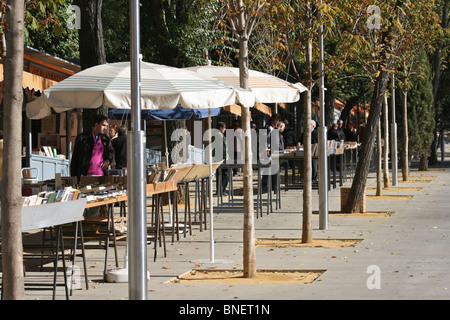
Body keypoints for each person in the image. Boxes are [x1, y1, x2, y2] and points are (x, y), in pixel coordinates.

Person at [70, 114, 115, 181]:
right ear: (96, 124)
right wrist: (74, 178)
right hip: (84, 176)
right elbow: (75, 158)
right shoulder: (82, 138)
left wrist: (108, 161)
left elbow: (111, 152)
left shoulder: (105, 139)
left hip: (101, 176)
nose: (105, 128)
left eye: (106, 126)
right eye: (103, 125)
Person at [262, 114, 281, 188]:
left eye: (278, 120)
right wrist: (266, 149)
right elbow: (264, 139)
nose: (277, 122)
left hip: (274, 150)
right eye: (276, 120)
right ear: (272, 119)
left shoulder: (275, 128)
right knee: (267, 167)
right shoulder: (267, 127)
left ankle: (271, 183)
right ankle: (264, 184)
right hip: (268, 150)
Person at [215, 122, 230, 196]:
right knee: (226, 174)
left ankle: (219, 190)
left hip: (217, 158)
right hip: (222, 158)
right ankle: (222, 189)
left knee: (219, 174)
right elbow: (223, 148)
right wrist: (225, 157)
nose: (225, 129)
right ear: (221, 128)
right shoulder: (220, 136)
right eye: (224, 128)